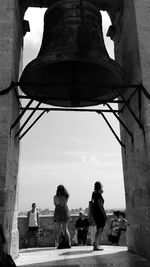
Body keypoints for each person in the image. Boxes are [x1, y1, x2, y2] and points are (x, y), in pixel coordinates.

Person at [91, 181, 107, 251]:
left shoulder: (94, 193)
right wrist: (105, 214)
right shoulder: (98, 194)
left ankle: (96, 243)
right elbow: (101, 206)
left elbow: (93, 202)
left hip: (95, 213)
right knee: (100, 229)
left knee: (100, 228)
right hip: (100, 213)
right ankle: (96, 245)